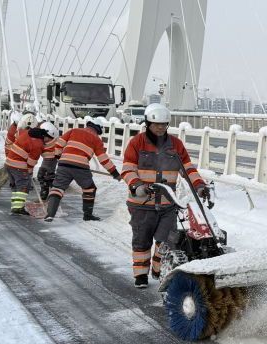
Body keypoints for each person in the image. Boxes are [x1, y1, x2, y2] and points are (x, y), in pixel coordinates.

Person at [120, 103, 208, 288]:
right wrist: (137, 186)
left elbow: (188, 169)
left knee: (166, 240)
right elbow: (128, 168)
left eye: (164, 124)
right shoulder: (137, 143)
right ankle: (140, 275)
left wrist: (199, 185)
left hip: (168, 203)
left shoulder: (175, 145)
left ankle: (159, 270)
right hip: (142, 202)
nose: (160, 128)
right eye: (156, 124)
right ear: (147, 123)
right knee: (142, 241)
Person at [43, 116, 120, 222]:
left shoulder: (73, 131)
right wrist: (114, 173)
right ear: (98, 129)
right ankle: (88, 215)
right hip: (81, 168)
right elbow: (103, 159)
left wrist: (58, 156)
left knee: (57, 188)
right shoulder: (96, 139)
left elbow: (59, 143)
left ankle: (50, 214)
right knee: (89, 188)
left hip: (64, 164)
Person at [5, 122, 57, 215]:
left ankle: (16, 206)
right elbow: (31, 161)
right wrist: (29, 172)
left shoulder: (29, 133)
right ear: (46, 136)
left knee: (16, 187)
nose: (47, 142)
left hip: (9, 163)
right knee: (24, 186)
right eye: (49, 139)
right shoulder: (38, 143)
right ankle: (18, 208)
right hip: (19, 166)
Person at [35, 115, 60, 201]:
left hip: (50, 162)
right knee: (45, 177)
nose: (43, 138)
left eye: (44, 137)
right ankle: (49, 192)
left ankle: (48, 193)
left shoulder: (55, 143)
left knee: (43, 176)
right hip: (47, 162)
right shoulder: (45, 142)